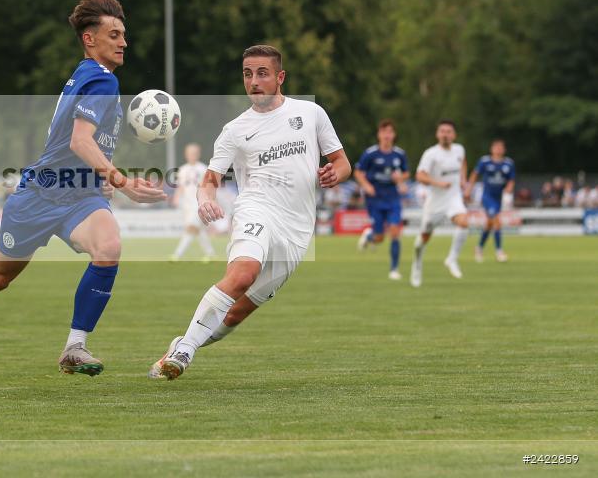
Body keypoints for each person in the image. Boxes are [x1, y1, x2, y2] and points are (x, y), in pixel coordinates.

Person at [0, 0, 166, 381]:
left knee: (108, 247)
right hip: (39, 195)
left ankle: (74, 347)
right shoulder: (100, 80)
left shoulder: (93, 77)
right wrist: (120, 179)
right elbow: (79, 141)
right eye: (114, 34)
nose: (123, 42)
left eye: (124, 35)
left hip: (79, 195)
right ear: (90, 39)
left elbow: (89, 144)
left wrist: (101, 181)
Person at [148, 44, 350, 380]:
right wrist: (205, 200)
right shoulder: (235, 130)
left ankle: (183, 343)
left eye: (262, 73)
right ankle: (184, 353)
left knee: (235, 314)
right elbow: (209, 180)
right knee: (243, 274)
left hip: (297, 230)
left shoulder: (311, 113)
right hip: (256, 209)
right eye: (247, 74)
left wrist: (336, 173)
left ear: (280, 77)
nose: (253, 81)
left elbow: (342, 162)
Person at [411, 120, 469, 287]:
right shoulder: (431, 154)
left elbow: (463, 162)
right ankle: (417, 264)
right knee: (424, 237)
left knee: (464, 222)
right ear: (438, 134)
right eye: (442, 131)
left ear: (454, 135)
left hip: (454, 199)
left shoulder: (459, 149)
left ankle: (451, 259)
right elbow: (420, 176)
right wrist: (438, 183)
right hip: (435, 203)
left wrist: (463, 180)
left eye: (449, 131)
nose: (445, 134)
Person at [354, 119, 409, 280]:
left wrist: (400, 179)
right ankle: (369, 236)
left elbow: (406, 173)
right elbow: (358, 172)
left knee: (395, 232)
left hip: (393, 198)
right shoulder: (370, 154)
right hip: (375, 199)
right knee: (379, 238)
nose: (387, 135)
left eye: (390, 132)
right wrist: (366, 185)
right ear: (379, 134)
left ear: (394, 135)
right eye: (384, 132)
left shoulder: (399, 154)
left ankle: (394, 269)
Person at [465, 139, 514, 263]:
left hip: (498, 198)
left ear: (504, 150)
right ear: (492, 149)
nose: (498, 150)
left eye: (500, 147)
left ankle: (479, 247)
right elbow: (475, 174)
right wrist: (468, 189)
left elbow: (511, 180)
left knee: (489, 224)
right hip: (487, 196)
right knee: (497, 222)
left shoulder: (508, 163)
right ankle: (499, 251)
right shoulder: (485, 161)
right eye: (496, 147)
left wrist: (509, 188)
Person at [170, 143, 215, 262]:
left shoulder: (203, 169)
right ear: (186, 154)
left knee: (191, 227)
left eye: (194, 153)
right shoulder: (182, 169)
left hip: (199, 203)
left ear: (198, 154)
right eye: (190, 153)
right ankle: (210, 254)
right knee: (198, 230)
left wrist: (210, 200)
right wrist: (176, 198)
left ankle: (177, 255)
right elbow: (181, 186)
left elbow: (210, 186)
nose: (192, 155)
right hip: (187, 204)